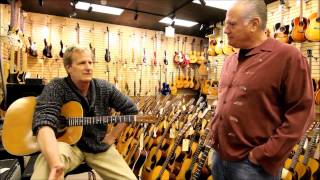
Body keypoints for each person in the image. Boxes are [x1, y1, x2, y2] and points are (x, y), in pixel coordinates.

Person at [208, 0, 315, 179]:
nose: (225, 30)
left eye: (231, 24)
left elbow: (302, 113)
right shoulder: (229, 60)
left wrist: (263, 155)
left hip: (253, 167)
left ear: (254, 24)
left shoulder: (289, 57)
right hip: (219, 157)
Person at [31, 45, 138, 180]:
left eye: (90, 62)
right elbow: (44, 120)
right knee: (46, 164)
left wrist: (112, 137)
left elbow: (131, 110)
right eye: (82, 63)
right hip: (67, 145)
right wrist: (55, 163)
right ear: (68, 68)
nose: (88, 67)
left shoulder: (104, 87)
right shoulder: (57, 86)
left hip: (98, 145)